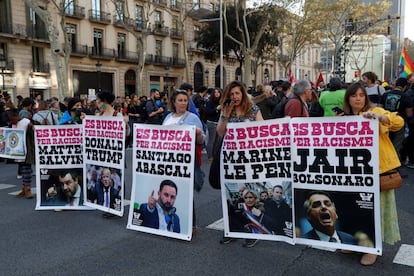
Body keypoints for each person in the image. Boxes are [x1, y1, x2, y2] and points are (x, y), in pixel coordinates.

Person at [342, 82, 403, 265]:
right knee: (355, 210)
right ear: (348, 99)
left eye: (361, 95)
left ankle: (372, 248)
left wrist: (380, 118)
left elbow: (399, 122)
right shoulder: (344, 117)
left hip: (377, 172)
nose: (358, 98)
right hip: (353, 174)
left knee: (373, 212)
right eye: (354, 95)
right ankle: (356, 242)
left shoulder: (375, 112)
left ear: (366, 97)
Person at [217, 80, 263, 246]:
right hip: (230, 159)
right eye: (231, 94)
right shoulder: (225, 110)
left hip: (249, 159)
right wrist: (225, 115)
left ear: (243, 94)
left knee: (248, 196)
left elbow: (262, 130)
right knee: (231, 197)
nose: (234, 97)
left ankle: (253, 232)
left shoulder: (252, 110)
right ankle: (232, 230)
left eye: (237, 93)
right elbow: (220, 133)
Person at [162, 90, 205, 232]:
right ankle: (167, 221)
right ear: (173, 102)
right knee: (168, 189)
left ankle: (191, 224)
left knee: (185, 191)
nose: (183, 103)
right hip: (168, 160)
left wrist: (198, 133)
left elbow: (202, 140)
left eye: (185, 100)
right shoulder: (168, 117)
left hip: (184, 161)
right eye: (180, 100)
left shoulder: (192, 117)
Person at [380, 77, 412, 163]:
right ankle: (394, 166)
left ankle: (385, 162)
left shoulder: (385, 95)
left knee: (385, 145)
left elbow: (379, 108)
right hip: (399, 124)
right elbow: (409, 114)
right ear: (405, 87)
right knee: (396, 146)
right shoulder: (406, 96)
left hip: (385, 123)